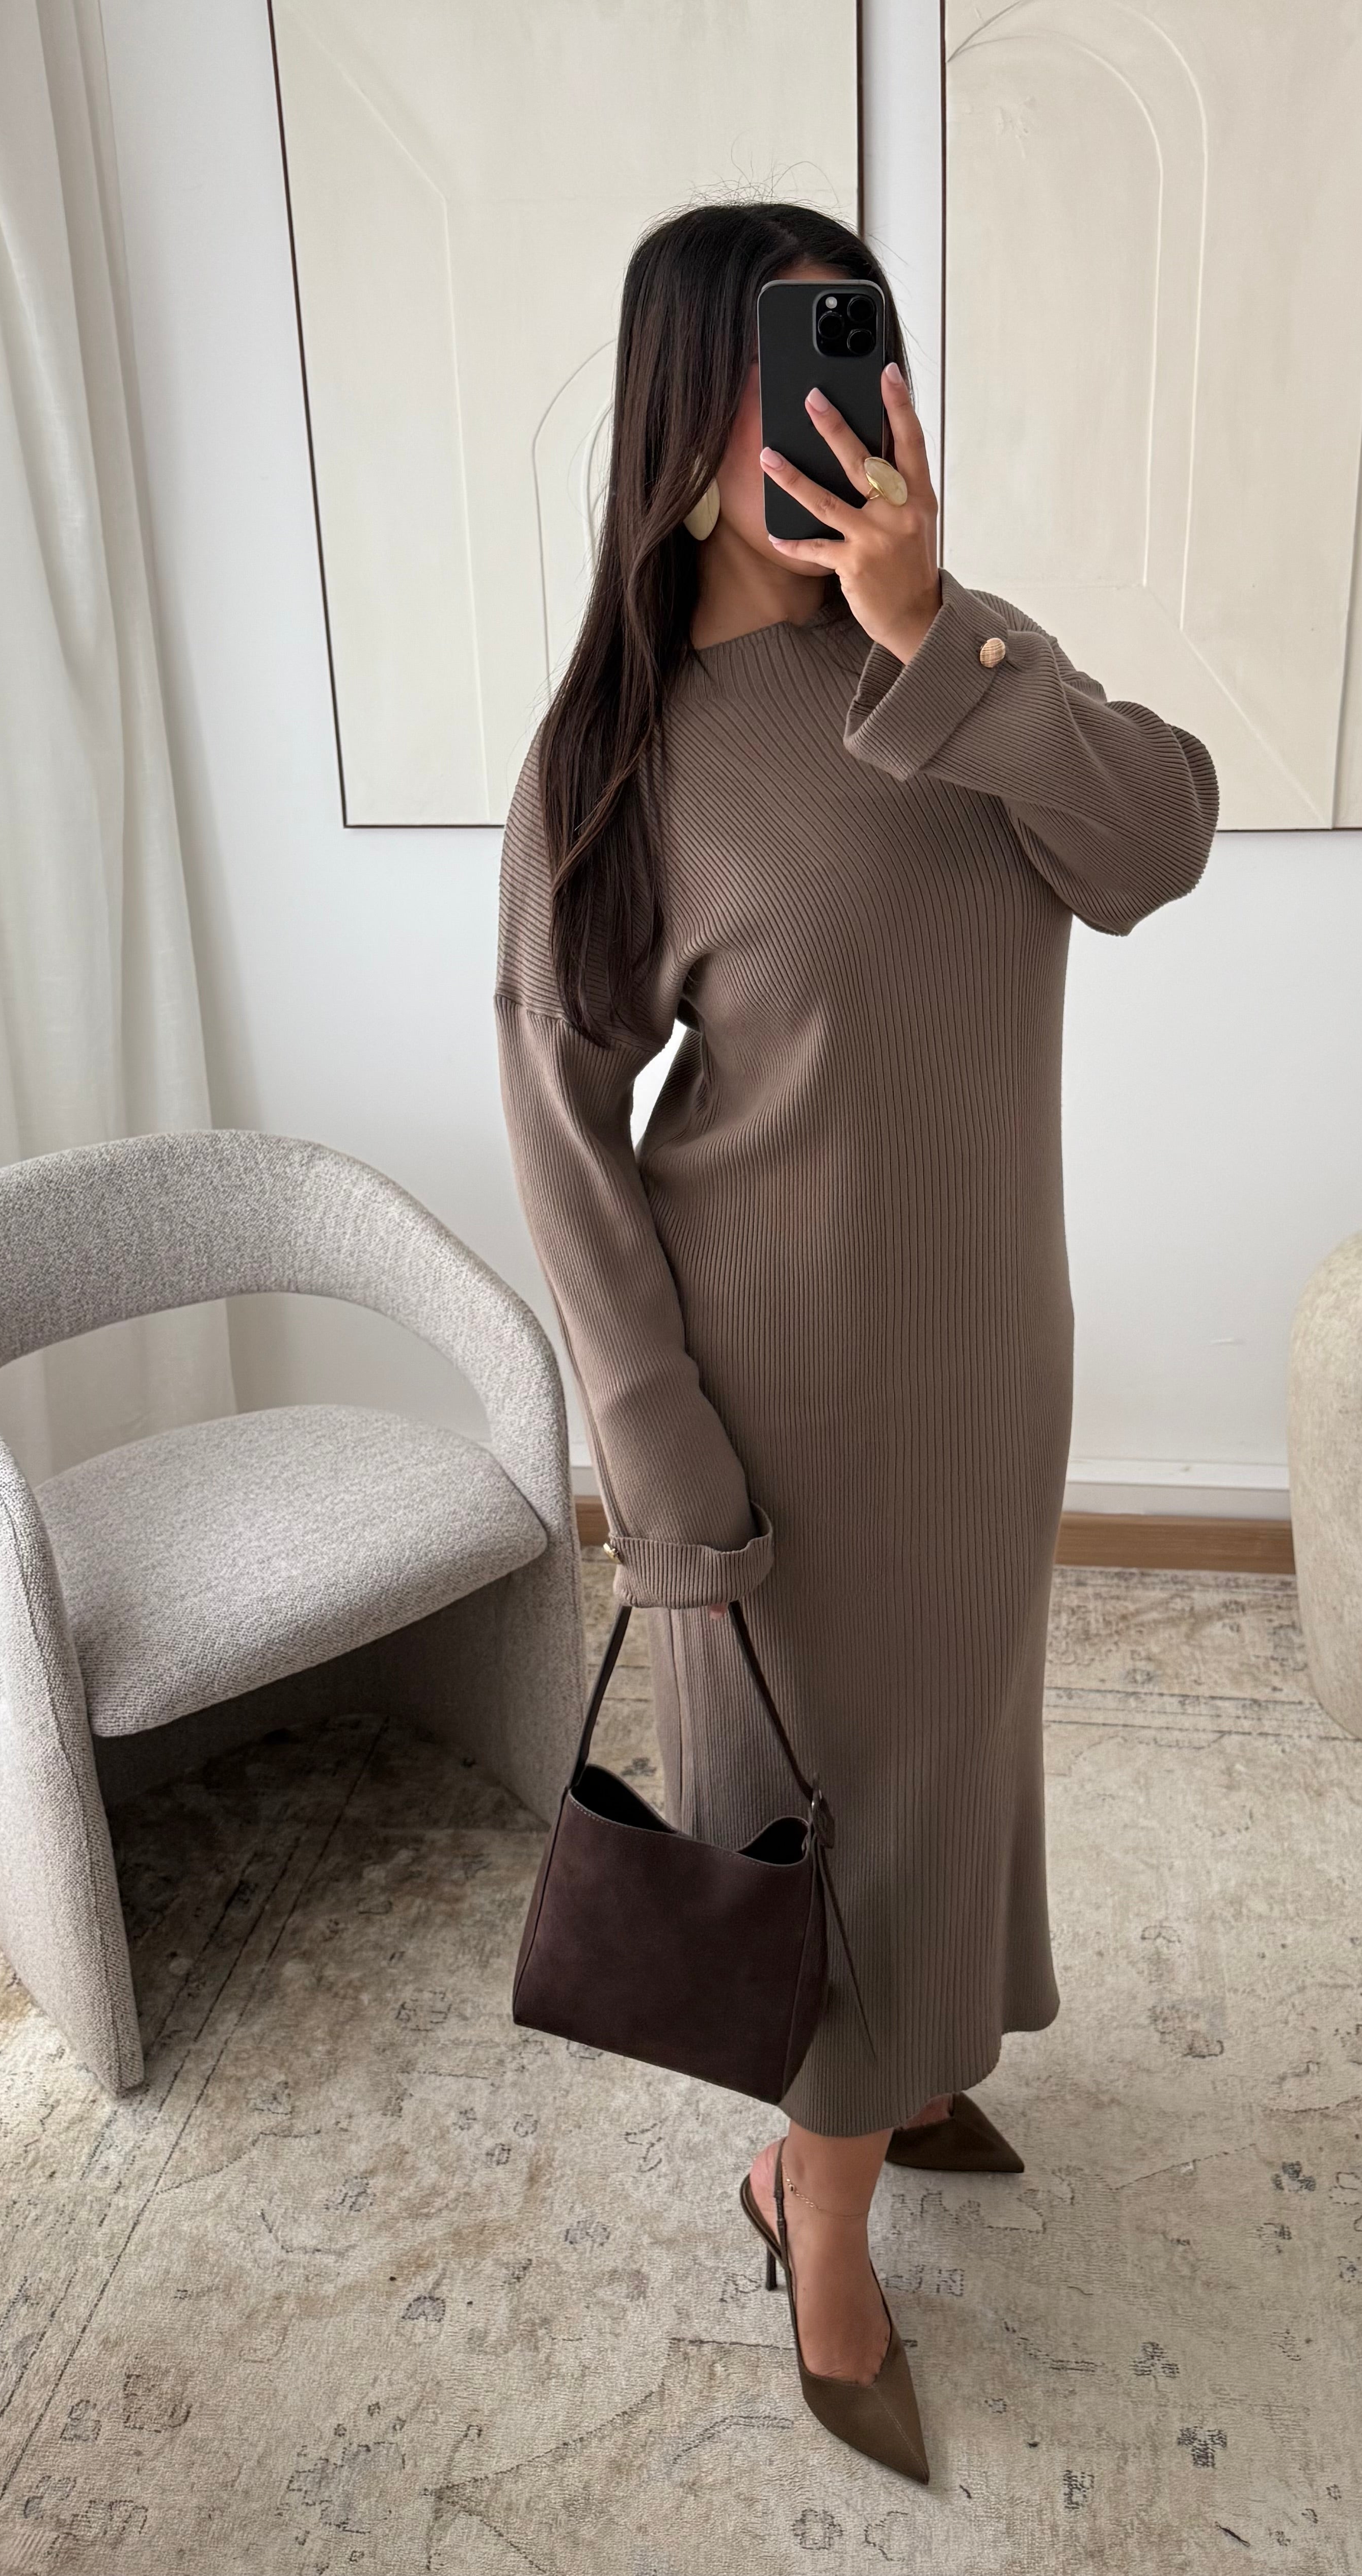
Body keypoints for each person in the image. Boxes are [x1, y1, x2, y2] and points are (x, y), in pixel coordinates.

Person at [494, 200, 1220, 2481]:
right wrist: (653, 1441)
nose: (834, 416)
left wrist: (932, 629)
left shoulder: (962, 659)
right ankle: (813, 2226)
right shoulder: (615, 757)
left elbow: (1160, 842)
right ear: (677, 413)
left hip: (987, 1362)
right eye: (778, 371)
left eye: (858, 355)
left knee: (952, 1767)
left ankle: (901, 2072)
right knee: (821, 1822)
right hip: (775, 1397)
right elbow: (560, 1116)